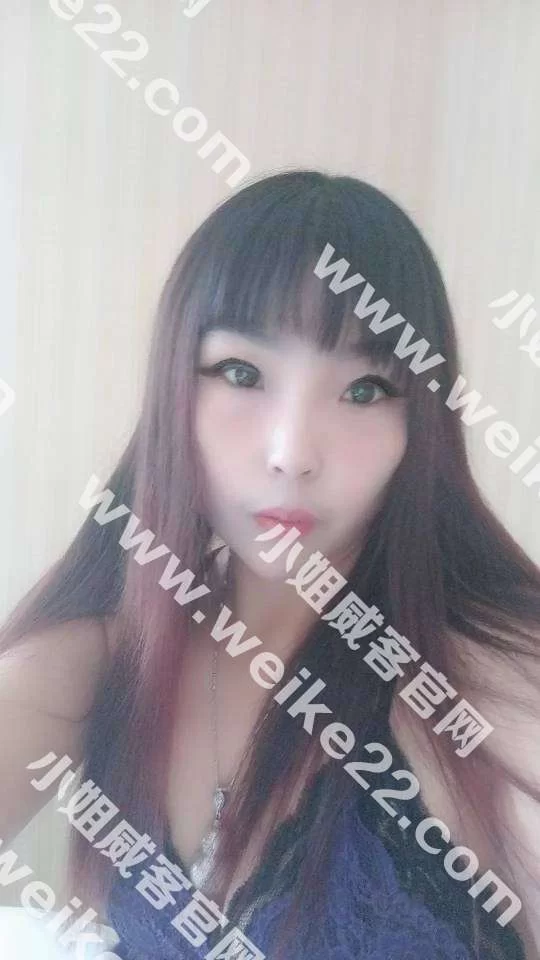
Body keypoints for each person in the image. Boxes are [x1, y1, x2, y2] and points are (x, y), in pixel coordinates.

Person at [1, 170, 540, 960]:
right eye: (242, 374)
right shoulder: (97, 663)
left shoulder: (485, 680)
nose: (292, 453)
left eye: (366, 389)